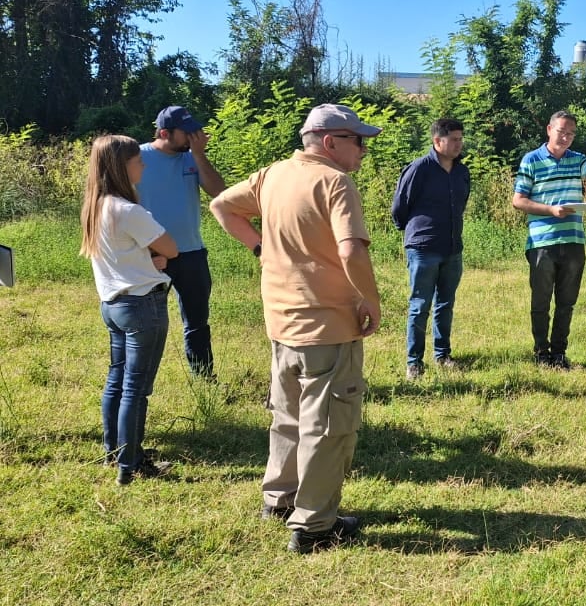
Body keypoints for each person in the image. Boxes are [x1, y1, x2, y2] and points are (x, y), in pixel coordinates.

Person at [210, 103, 381, 554]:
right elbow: (351, 252)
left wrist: (260, 248)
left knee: (286, 414)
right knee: (328, 426)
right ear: (331, 143)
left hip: (281, 321)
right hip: (327, 324)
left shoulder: (273, 175)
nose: (363, 150)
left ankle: (280, 499)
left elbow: (221, 206)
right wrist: (371, 299)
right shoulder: (335, 182)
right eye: (358, 141)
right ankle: (314, 525)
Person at [79, 135, 179, 486]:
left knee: (117, 381)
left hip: (113, 303)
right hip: (141, 305)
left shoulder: (96, 205)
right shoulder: (128, 210)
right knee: (136, 389)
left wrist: (149, 258)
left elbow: (125, 254)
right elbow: (171, 247)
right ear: (123, 166)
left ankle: (115, 451)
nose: (144, 165)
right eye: (138, 161)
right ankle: (131, 464)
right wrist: (158, 257)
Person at [512, 110, 586, 369]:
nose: (566, 137)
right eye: (561, 132)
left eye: (571, 133)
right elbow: (518, 201)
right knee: (541, 301)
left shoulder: (578, 160)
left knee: (567, 301)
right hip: (542, 242)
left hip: (573, 241)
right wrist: (550, 211)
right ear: (549, 129)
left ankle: (559, 353)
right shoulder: (531, 160)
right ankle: (541, 352)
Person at [136, 105, 227, 380]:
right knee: (146, 324)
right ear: (164, 133)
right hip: (150, 255)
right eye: (187, 133)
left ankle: (204, 381)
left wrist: (199, 155)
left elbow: (218, 192)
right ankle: (138, 381)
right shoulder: (136, 157)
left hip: (191, 254)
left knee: (197, 323)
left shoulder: (192, 158)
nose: (195, 137)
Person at [391, 118, 470, 378]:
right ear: (438, 141)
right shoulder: (419, 169)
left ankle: (443, 354)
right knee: (419, 305)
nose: (459, 144)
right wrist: (416, 232)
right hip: (424, 248)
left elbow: (461, 204)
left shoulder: (461, 172)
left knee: (445, 303)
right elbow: (400, 207)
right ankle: (414, 362)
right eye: (454, 139)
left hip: (452, 247)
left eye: (461, 138)